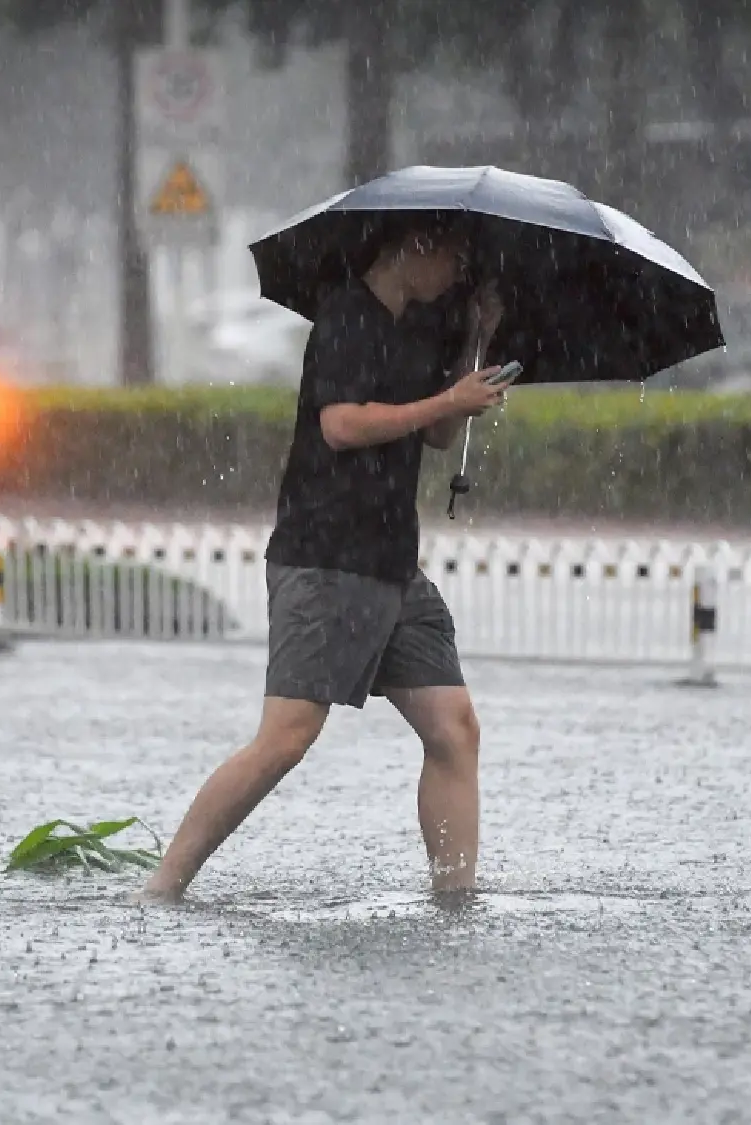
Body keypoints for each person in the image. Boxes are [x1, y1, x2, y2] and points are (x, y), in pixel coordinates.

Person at [140, 216, 508, 904]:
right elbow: (340, 425)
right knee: (285, 737)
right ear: (412, 246)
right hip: (325, 555)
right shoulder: (347, 317)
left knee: (454, 726)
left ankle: (455, 896)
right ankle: (163, 884)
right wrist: (446, 397)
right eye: (454, 260)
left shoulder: (424, 326)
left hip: (393, 561)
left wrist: (469, 361)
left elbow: (435, 432)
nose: (458, 277)